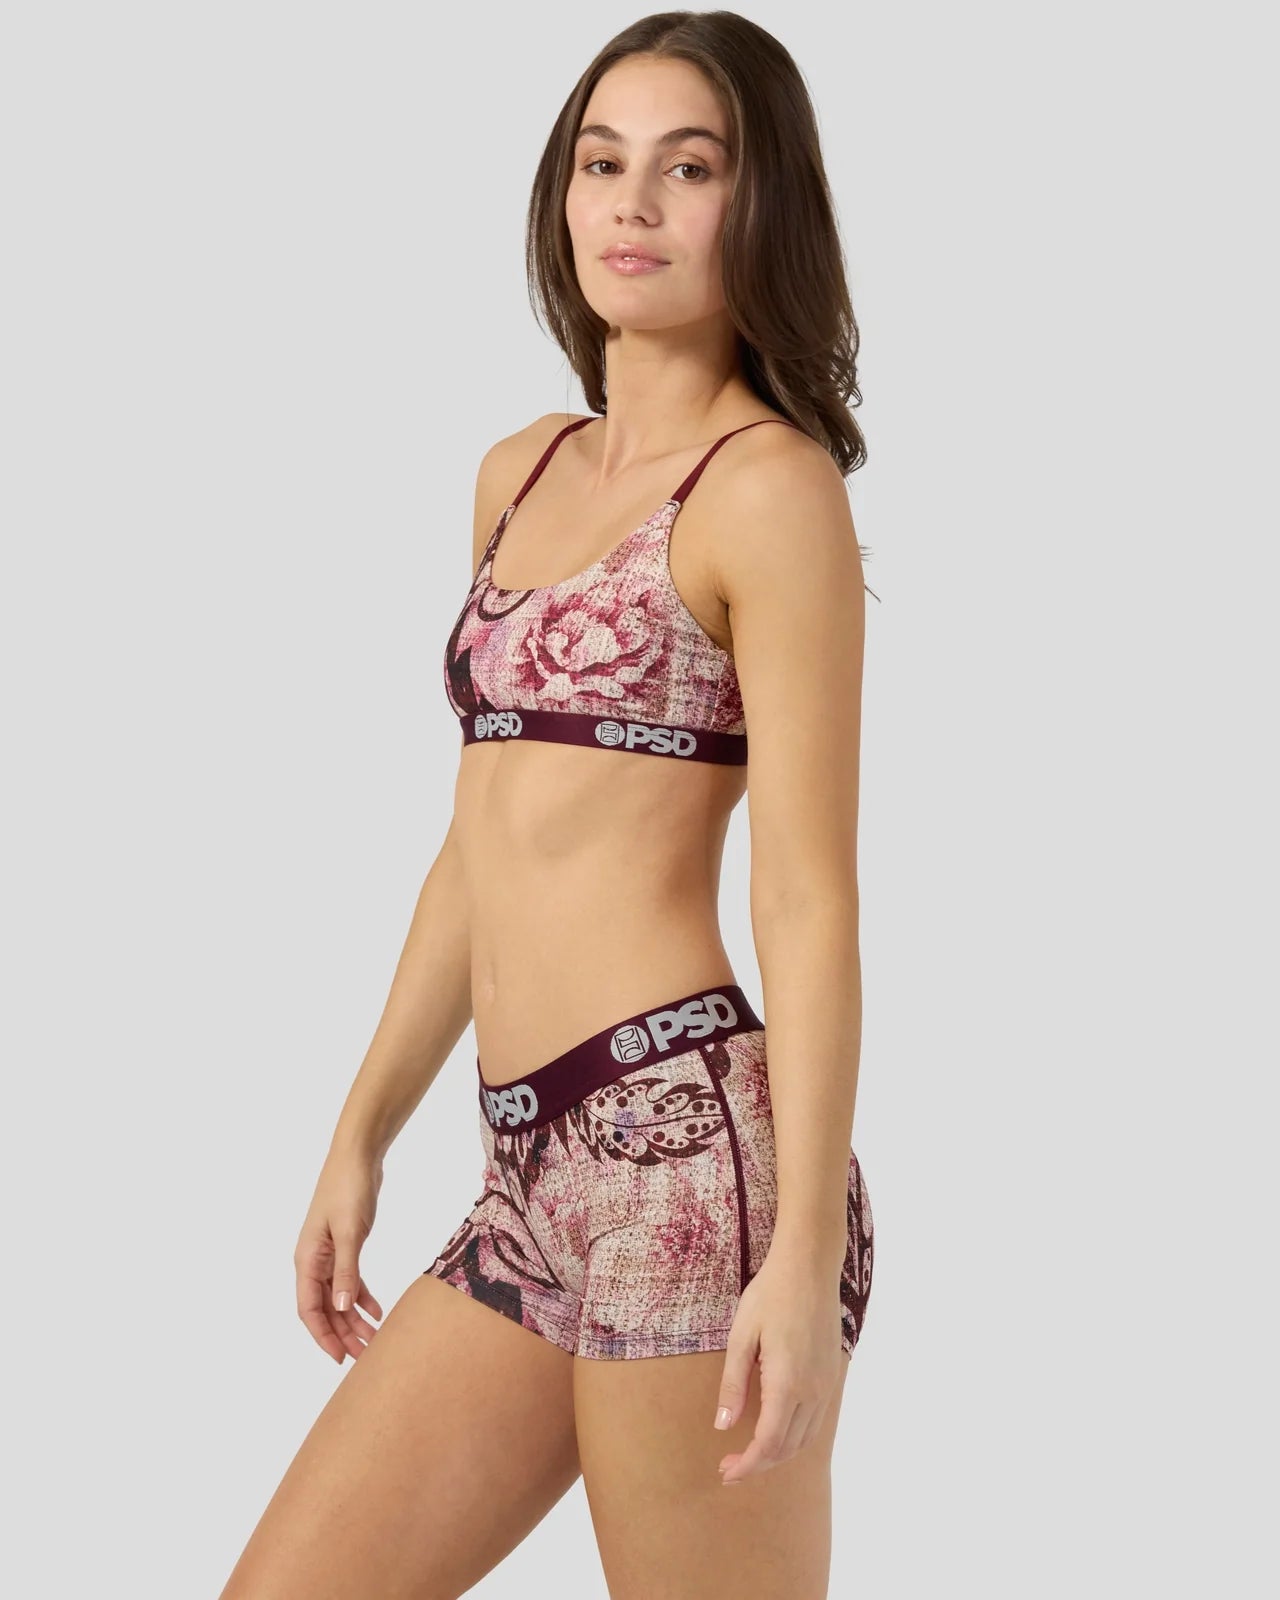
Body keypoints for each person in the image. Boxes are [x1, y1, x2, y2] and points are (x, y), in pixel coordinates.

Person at [220, 11, 875, 1599]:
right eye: (603, 162)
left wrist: (798, 1258)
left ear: (761, 205)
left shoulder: (768, 490)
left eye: (690, 168)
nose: (632, 203)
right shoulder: (517, 472)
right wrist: (361, 1130)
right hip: (526, 1169)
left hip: (687, 1165)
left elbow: (807, 894)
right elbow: (482, 844)